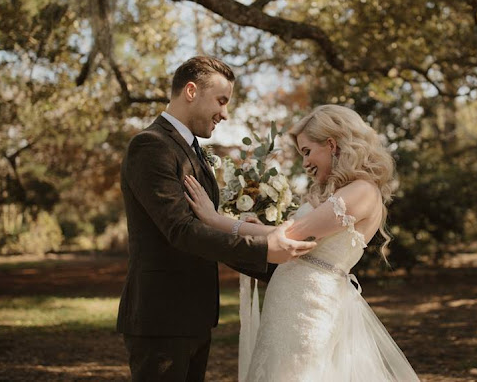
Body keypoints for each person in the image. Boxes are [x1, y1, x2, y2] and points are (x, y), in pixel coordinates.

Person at [184, 104, 420, 381]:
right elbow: (296, 234)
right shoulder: (346, 191)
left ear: (331, 144)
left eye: (307, 152)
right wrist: (263, 229)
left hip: (309, 306)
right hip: (293, 299)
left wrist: (215, 219)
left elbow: (294, 233)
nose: (305, 163)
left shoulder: (363, 190)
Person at [116, 56, 317, 381]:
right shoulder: (150, 146)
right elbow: (182, 231)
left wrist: (279, 267)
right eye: (221, 101)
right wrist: (264, 251)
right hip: (161, 318)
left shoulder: (192, 150)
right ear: (192, 91)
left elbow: (206, 223)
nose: (225, 113)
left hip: (194, 315)